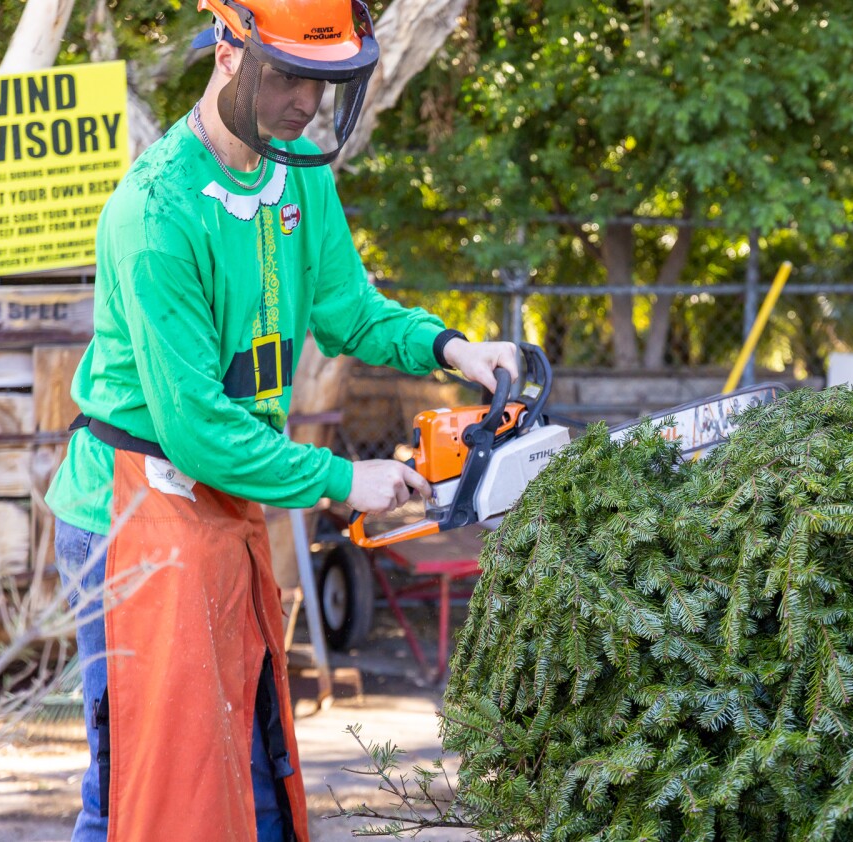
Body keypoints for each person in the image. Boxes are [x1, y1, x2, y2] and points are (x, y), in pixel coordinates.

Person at [43, 1, 518, 840]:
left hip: (223, 496)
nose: (307, 102)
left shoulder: (297, 172)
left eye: (326, 81)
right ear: (229, 53)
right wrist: (343, 479)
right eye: (291, 76)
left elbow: (349, 311)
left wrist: (453, 349)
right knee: (136, 788)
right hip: (133, 509)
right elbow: (194, 428)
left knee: (255, 759)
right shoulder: (155, 212)